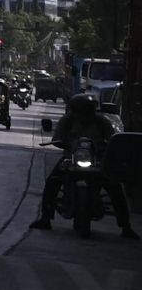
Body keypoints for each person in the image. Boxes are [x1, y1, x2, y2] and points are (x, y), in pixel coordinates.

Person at [30, 93, 138, 238]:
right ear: (74, 110)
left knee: (115, 188)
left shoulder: (101, 121)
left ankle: (126, 226)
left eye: (87, 110)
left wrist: (106, 148)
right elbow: (57, 137)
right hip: (71, 158)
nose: (83, 114)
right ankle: (45, 218)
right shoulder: (67, 121)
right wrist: (62, 143)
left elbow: (112, 139)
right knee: (52, 183)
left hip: (97, 161)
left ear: (92, 110)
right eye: (80, 110)